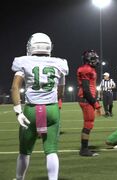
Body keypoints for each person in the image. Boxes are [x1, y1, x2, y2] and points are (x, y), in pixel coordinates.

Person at [11, 32, 69, 180]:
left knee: (24, 151)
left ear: (31, 46)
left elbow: (15, 88)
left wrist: (18, 111)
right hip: (52, 109)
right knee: (51, 150)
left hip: (31, 109)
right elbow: (61, 91)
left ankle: (19, 178)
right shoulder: (59, 63)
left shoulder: (23, 61)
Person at [77, 50, 102, 157]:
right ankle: (84, 149)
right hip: (86, 99)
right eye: (93, 59)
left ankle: (85, 146)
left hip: (88, 99)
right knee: (88, 124)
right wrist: (95, 103)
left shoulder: (89, 69)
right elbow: (86, 90)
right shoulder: (86, 69)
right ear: (87, 60)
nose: (96, 61)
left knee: (89, 123)